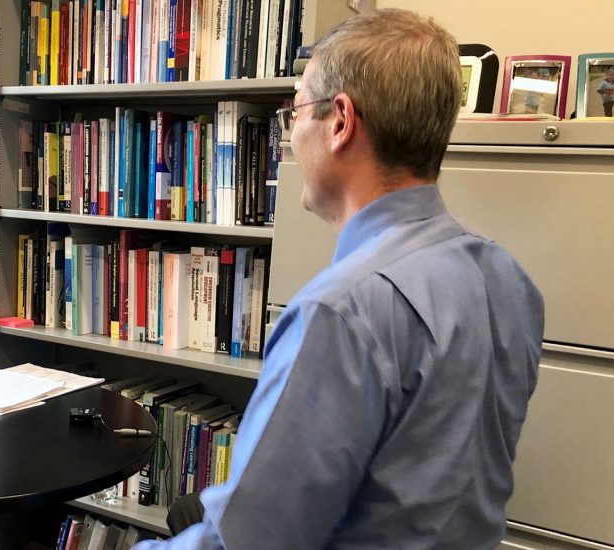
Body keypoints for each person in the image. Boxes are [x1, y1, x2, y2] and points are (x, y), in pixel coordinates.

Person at [135, 9, 544, 549]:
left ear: (341, 122)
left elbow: (250, 543)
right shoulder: (508, 278)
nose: (291, 134)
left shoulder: (341, 312)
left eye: (296, 112)